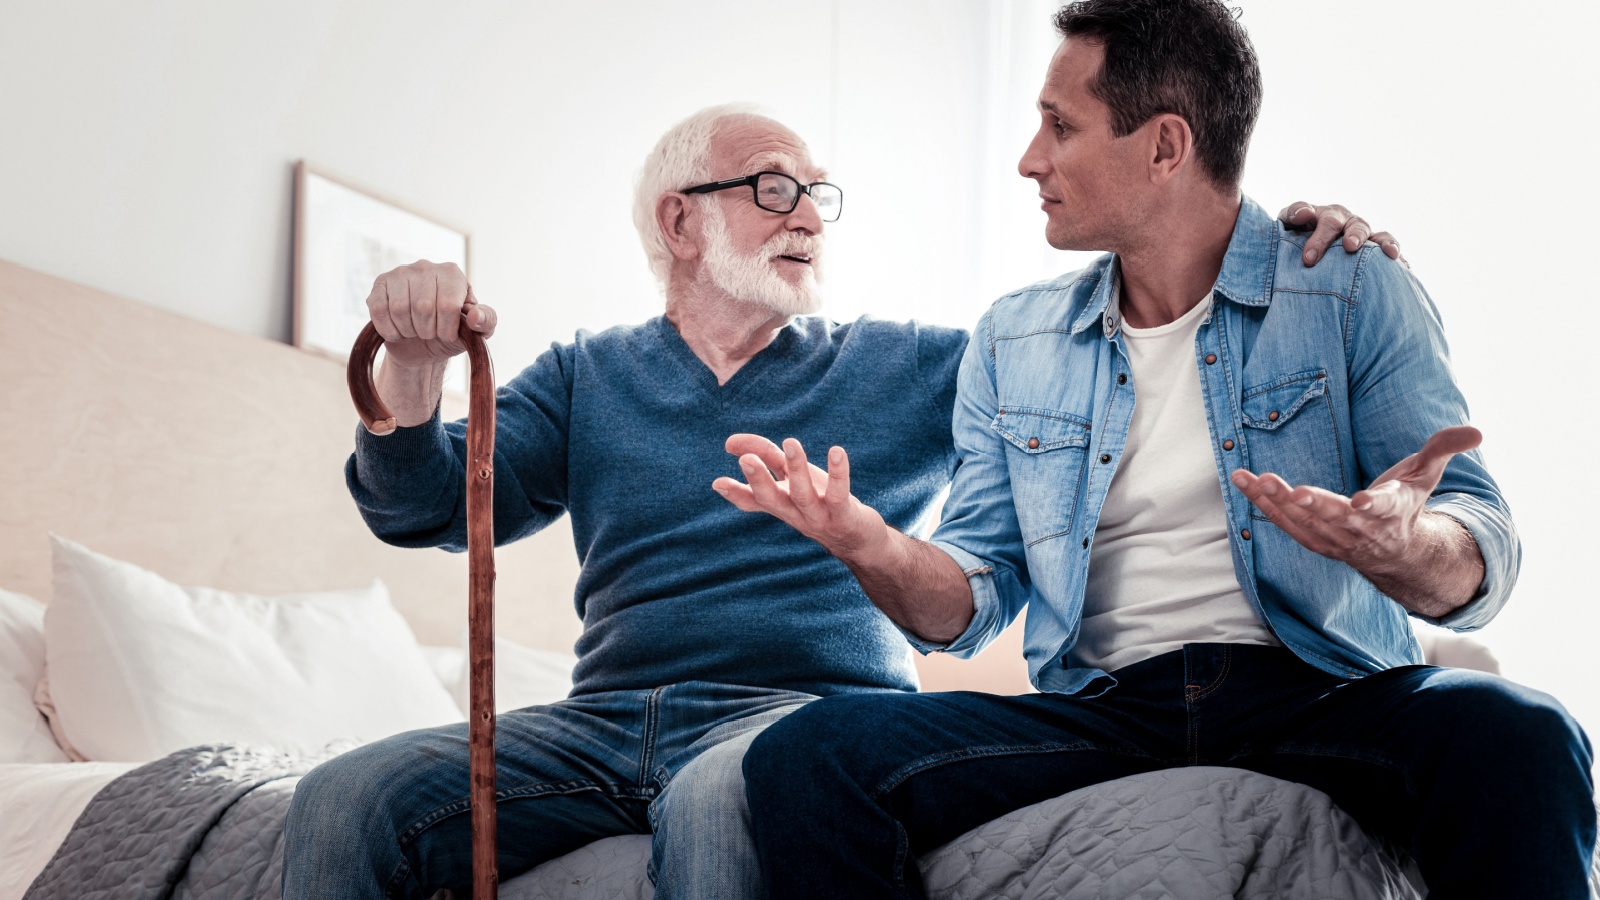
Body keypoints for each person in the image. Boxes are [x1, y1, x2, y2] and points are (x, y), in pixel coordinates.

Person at [279, 100, 1391, 899]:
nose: (807, 212)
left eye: (817, 193)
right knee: (340, 800)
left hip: (801, 716)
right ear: (679, 223)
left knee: (734, 803)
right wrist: (415, 378)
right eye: (773, 189)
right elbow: (421, 510)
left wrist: (1261, 256)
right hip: (603, 722)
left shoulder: (905, 363)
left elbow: (1105, 350)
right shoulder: (585, 375)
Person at [724, 3, 1597, 898]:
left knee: (1522, 733)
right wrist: (872, 546)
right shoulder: (1014, 338)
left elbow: (1478, 538)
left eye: (1060, 125)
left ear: (1166, 147)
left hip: (1319, 692)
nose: (1031, 158)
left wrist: (1408, 549)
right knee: (808, 757)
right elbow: (975, 598)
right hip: (1106, 711)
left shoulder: (1349, 288)